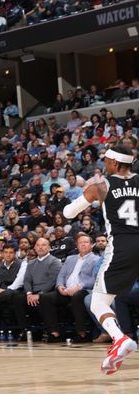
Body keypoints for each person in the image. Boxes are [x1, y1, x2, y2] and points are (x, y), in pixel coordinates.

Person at [63, 146, 139, 374]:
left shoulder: (101, 186)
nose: (104, 164)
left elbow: (68, 213)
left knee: (98, 303)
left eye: (106, 160)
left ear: (115, 163)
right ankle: (118, 347)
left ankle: (119, 339)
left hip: (122, 247)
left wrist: (82, 199)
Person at [39, 233, 100, 343]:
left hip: (84, 290)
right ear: (77, 245)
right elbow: (61, 275)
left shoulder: (97, 259)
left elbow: (95, 279)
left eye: (86, 242)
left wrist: (79, 286)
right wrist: (60, 286)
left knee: (77, 297)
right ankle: (54, 332)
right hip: (66, 290)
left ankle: (81, 333)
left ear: (92, 245)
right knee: (46, 298)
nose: (83, 245)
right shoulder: (70, 258)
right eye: (80, 243)